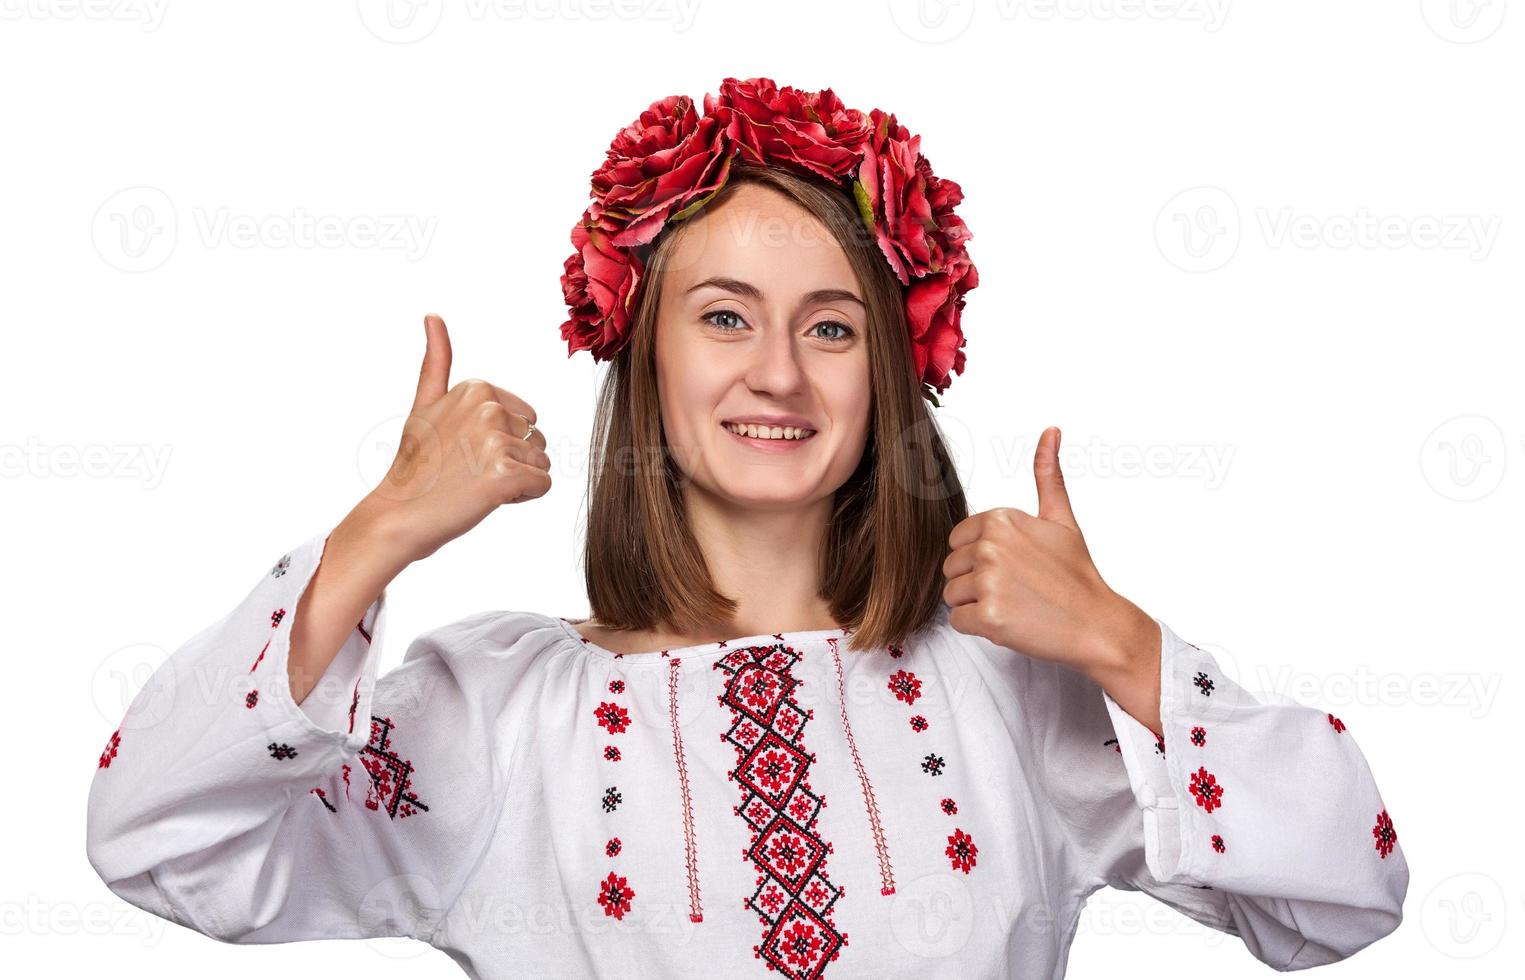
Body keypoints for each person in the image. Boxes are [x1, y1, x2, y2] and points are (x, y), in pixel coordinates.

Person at [85, 78, 1407, 978]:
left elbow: (1344, 891)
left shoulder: (1010, 691)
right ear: (641, 354)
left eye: (829, 326)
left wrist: (1121, 646)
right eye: (722, 315)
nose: (777, 371)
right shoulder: (495, 714)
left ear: (891, 364)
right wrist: (376, 534)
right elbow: (158, 840)